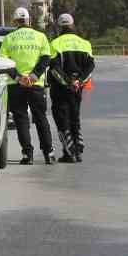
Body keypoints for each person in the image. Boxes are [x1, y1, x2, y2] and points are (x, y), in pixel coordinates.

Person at [0, 7, 56, 165]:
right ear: (29, 20)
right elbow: (46, 59)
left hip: (16, 85)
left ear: (15, 21)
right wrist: (33, 76)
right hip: (36, 84)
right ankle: (48, 153)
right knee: (41, 118)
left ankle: (27, 155)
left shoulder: (9, 38)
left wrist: (18, 77)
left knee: (21, 119)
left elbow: (3, 62)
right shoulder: (40, 37)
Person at [48, 13, 94, 162]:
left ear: (59, 27)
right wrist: (79, 81)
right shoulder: (85, 43)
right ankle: (78, 149)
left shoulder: (55, 43)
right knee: (75, 117)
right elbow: (90, 67)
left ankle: (69, 152)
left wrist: (68, 82)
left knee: (62, 119)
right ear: (72, 25)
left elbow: (54, 68)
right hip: (77, 88)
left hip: (60, 88)